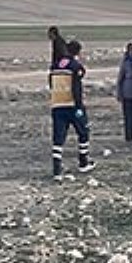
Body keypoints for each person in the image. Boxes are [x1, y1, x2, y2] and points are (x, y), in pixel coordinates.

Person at [48, 40, 93, 180]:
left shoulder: (55, 65)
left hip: (57, 104)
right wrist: (79, 106)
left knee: (58, 137)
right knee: (83, 132)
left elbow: (50, 82)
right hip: (72, 105)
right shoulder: (75, 66)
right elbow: (76, 87)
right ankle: (83, 162)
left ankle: (57, 169)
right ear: (78, 52)